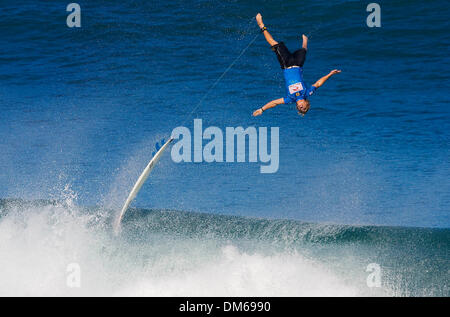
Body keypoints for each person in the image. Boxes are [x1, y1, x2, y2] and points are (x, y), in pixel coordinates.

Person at [252, 13, 341, 117]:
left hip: (286, 64)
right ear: (306, 103)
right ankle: (305, 41)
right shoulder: (307, 93)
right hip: (298, 64)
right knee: (303, 50)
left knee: (274, 44)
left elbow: (274, 103)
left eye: (300, 109)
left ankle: (261, 25)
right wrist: (330, 74)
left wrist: (262, 109)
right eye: (304, 108)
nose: (301, 107)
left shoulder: (290, 98)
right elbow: (318, 84)